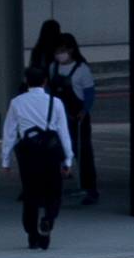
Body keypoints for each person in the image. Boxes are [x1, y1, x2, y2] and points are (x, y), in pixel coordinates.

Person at [2, 63, 73, 250]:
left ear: (26, 81)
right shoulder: (55, 102)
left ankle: (32, 235)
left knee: (30, 196)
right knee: (53, 193)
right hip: (50, 152)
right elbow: (64, 133)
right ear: (45, 81)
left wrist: (6, 160)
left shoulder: (17, 103)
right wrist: (67, 160)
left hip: (29, 154)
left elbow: (9, 133)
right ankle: (48, 219)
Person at [33, 21, 99, 205]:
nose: (59, 53)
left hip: (77, 118)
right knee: (54, 155)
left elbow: (89, 92)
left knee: (83, 154)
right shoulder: (53, 67)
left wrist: (84, 110)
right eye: (56, 50)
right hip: (57, 118)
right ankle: (52, 192)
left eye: (62, 50)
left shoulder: (81, 69)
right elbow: (48, 90)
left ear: (70, 50)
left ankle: (90, 190)